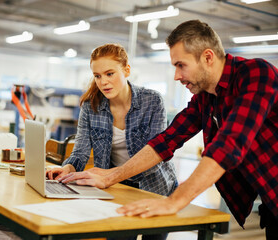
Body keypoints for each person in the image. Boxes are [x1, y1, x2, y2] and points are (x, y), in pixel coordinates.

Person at [59, 20, 278, 239]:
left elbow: (230, 143)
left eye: (181, 65)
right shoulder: (205, 99)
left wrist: (175, 200)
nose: (176, 76)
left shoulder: (256, 74)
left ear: (208, 57)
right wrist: (110, 176)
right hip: (270, 202)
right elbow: (166, 141)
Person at [47, 43, 177, 240]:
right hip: (118, 189)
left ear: (126, 70)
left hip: (156, 190)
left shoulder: (152, 101)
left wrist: (107, 175)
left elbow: (153, 160)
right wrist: (68, 169)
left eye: (110, 73)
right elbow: (80, 152)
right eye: (97, 76)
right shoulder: (91, 106)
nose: (103, 82)